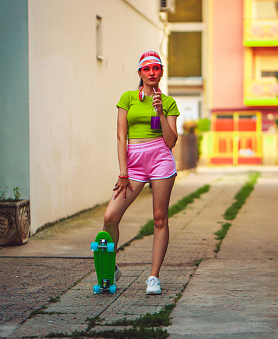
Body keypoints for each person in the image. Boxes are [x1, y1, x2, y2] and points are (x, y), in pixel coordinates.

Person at [103, 50, 180, 295]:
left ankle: (153, 277)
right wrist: (123, 172)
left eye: (156, 68)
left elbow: (171, 142)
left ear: (161, 72)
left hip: (160, 160)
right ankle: (110, 266)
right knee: (110, 217)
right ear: (140, 73)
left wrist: (159, 111)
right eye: (147, 69)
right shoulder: (127, 98)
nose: (151, 73)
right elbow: (120, 136)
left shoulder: (168, 102)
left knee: (159, 218)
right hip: (134, 164)